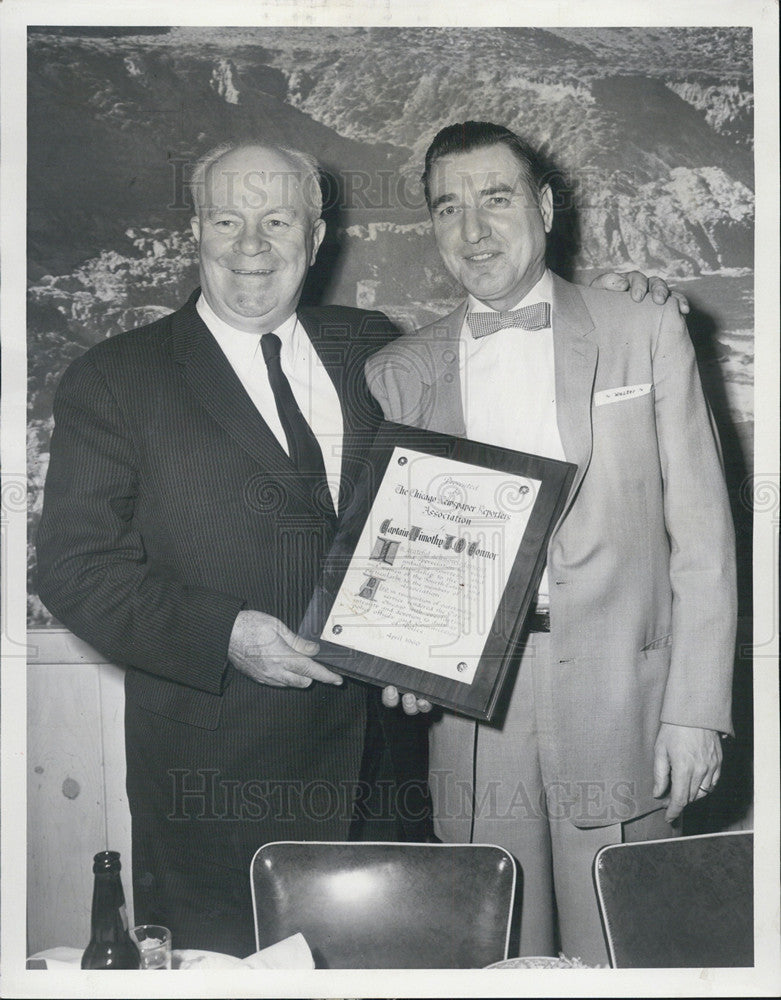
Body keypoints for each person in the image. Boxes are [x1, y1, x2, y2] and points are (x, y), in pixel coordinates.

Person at [36, 136, 680, 957]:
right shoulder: (115, 378)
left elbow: (453, 484)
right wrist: (225, 633)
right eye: (227, 219)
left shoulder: (370, 348)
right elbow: (73, 568)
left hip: (387, 772)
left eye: (277, 220)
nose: (250, 245)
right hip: (220, 786)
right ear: (194, 232)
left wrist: (625, 302)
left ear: (316, 238)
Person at [365, 121, 736, 964]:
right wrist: (405, 655)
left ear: (541, 207)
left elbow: (705, 541)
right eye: (447, 208)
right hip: (472, 716)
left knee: (626, 959)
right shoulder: (398, 369)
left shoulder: (642, 325)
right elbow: (404, 550)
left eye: (495, 199)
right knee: (494, 955)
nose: (472, 230)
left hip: (625, 704)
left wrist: (694, 712)